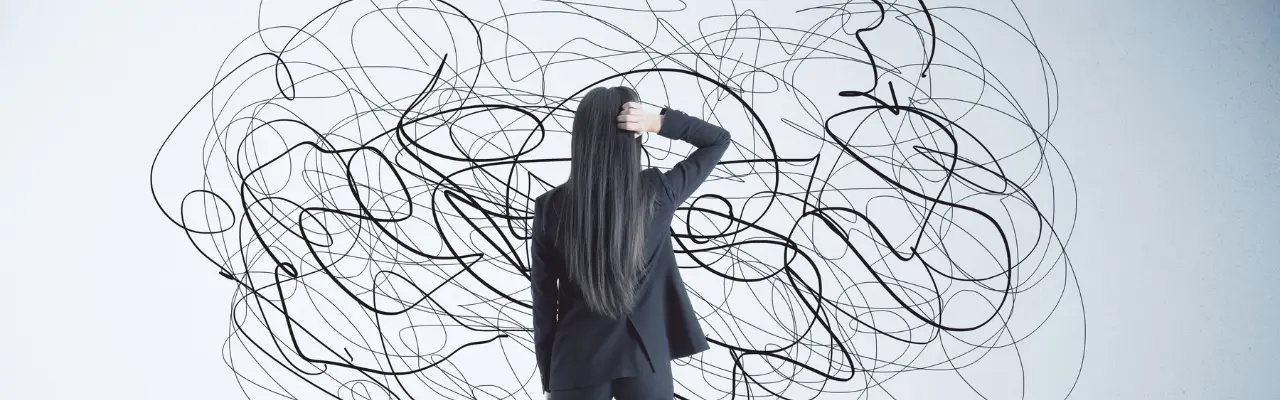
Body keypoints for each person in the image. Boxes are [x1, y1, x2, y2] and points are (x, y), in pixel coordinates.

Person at [529, 86, 732, 399]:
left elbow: (544, 302)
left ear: (580, 137)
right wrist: (657, 122)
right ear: (632, 135)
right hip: (645, 358)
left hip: (575, 363)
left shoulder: (549, 207)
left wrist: (550, 374)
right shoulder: (658, 192)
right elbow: (717, 139)